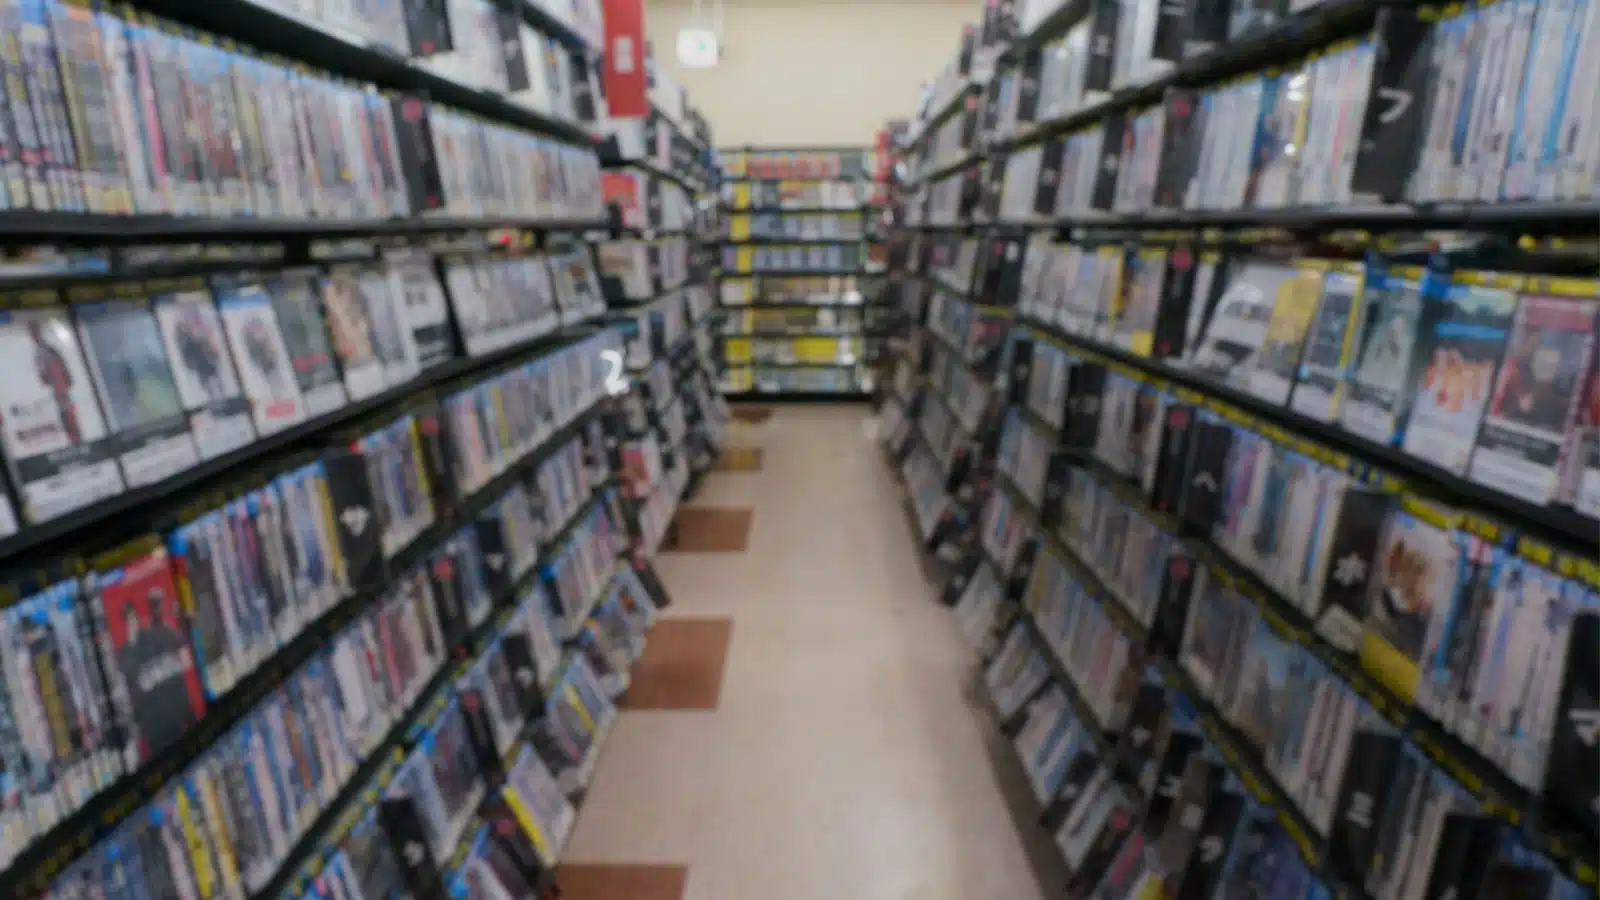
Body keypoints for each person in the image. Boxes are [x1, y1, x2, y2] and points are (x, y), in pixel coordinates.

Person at [118, 587, 201, 756]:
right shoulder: (126, 654)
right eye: (128, 619)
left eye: (133, 617)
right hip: (157, 731)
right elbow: (129, 674)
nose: (132, 623)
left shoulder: (159, 634)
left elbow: (181, 650)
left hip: (177, 717)